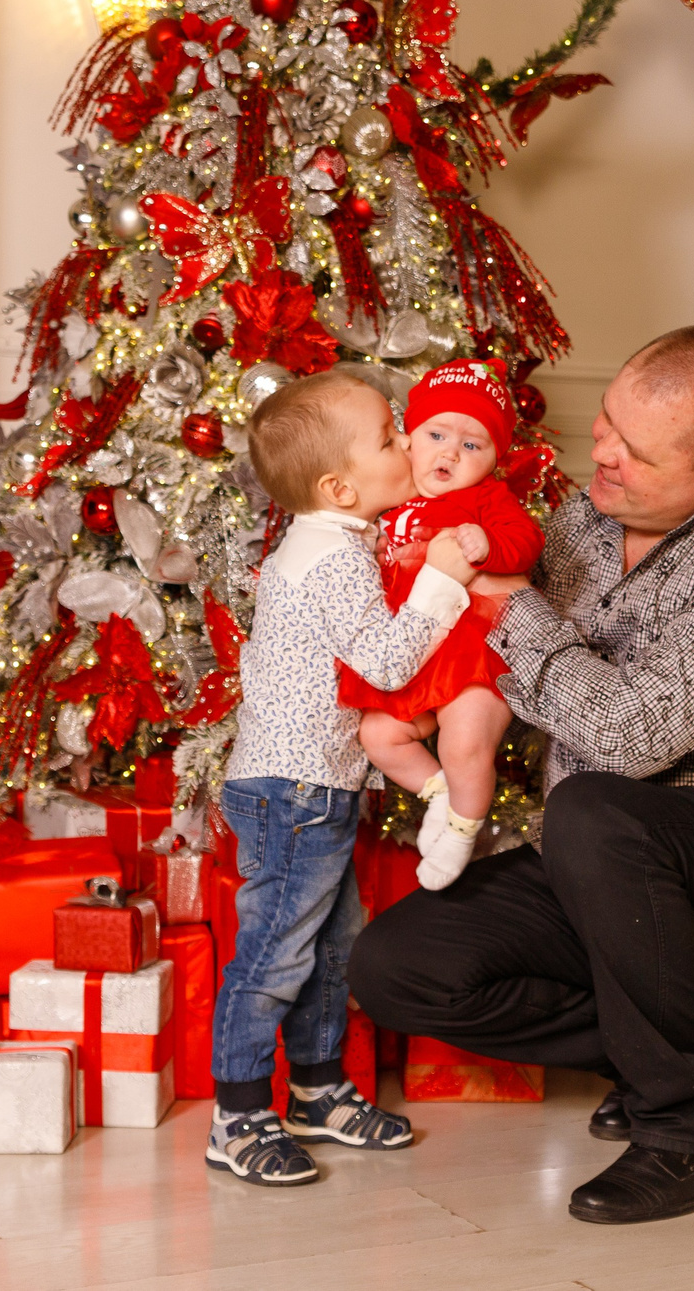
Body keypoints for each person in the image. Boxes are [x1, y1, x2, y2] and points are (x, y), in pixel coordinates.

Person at [349, 325, 694, 1225]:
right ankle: (662, 1048)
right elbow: (489, 659)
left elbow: (625, 734)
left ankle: (693, 1128)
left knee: (590, 806)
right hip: (599, 864)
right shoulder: (587, 515)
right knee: (396, 967)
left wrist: (509, 603)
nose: (602, 455)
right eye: (608, 421)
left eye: (638, 452)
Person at [206, 370, 480, 1187]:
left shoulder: (339, 540)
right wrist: (443, 581)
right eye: (392, 439)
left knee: (329, 948)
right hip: (289, 790)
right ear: (340, 484)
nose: (410, 445)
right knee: (275, 955)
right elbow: (389, 657)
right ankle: (238, 1111)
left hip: (316, 786)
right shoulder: (328, 559)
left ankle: (317, 1089)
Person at [336, 360, 546, 890]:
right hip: (411, 650)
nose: (451, 452)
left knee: (464, 742)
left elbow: (525, 542)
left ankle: (460, 829)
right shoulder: (392, 491)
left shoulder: (485, 499)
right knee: (379, 735)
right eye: (437, 434)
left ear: (495, 459)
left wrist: (488, 544)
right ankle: (440, 793)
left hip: (473, 648)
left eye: (473, 445)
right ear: (408, 439)